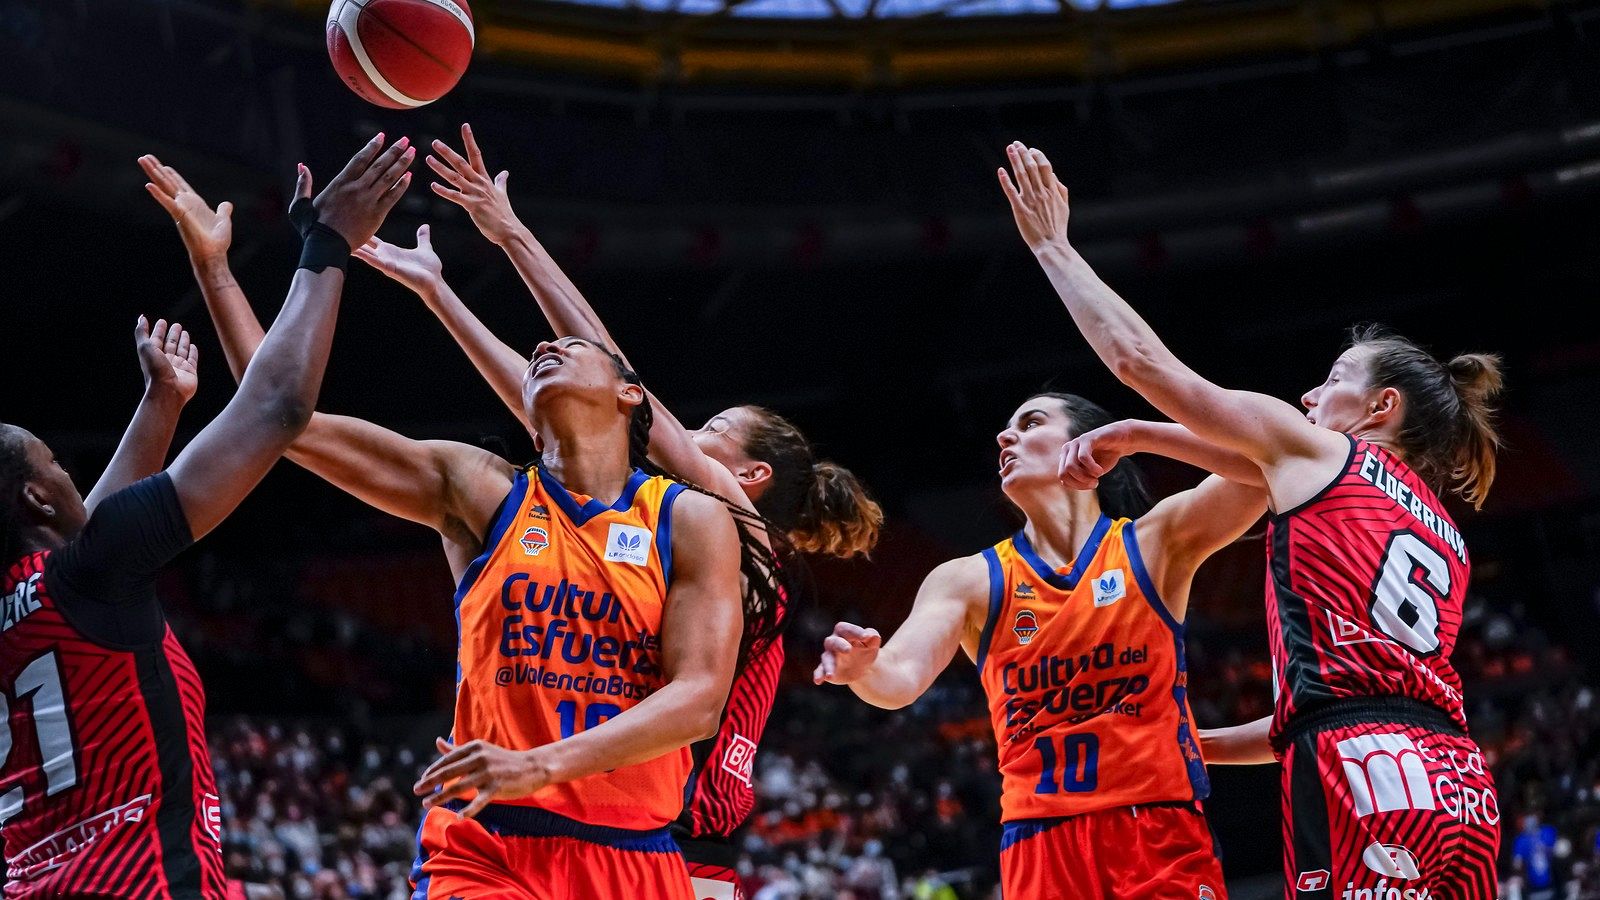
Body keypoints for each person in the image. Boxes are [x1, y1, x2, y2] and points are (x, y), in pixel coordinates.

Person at [143, 158, 755, 899]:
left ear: (631, 394)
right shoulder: (479, 489)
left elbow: (697, 702)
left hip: (634, 857)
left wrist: (540, 765)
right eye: (535, 353)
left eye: (569, 346)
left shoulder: (687, 518)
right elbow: (282, 420)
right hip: (483, 845)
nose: (543, 347)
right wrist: (219, 269)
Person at [357, 122, 884, 899]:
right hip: (647, 840)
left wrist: (512, 236)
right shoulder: (692, 532)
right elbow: (565, 413)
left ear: (753, 474)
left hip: (659, 845)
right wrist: (441, 294)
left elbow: (610, 375)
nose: (682, 441)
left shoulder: (733, 528)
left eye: (710, 436)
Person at [999, 140, 1504, 898]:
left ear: (1380, 407)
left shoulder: (1318, 450)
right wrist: (1187, 744)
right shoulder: (1440, 526)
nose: (1309, 396)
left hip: (1361, 770)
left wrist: (1053, 247)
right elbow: (1333, 693)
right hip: (1457, 782)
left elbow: (1141, 361)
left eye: (1334, 380)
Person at [0, 134, 412, 898]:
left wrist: (162, 405)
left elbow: (94, 530)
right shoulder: (87, 575)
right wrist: (329, 243)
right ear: (33, 497)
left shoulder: (53, 590)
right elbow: (278, 407)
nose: (67, 470)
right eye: (55, 460)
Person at [815, 388, 1265, 898]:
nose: (1006, 436)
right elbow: (897, 681)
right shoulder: (968, 580)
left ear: (1088, 442)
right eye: (1008, 428)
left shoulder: (1154, 542)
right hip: (1039, 839)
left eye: (1031, 423)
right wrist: (862, 670)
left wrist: (1138, 435)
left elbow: (1267, 460)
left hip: (1155, 826)